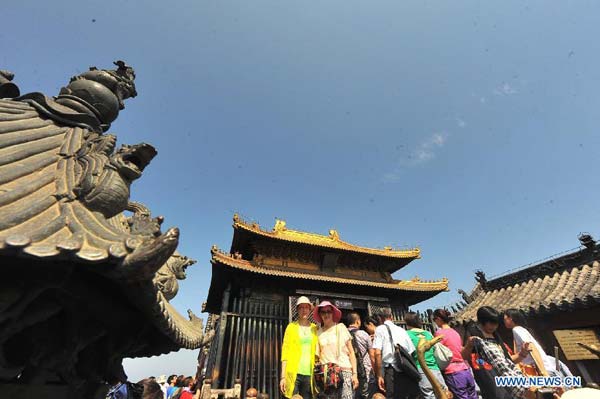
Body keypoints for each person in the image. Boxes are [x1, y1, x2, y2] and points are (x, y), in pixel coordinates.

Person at [461, 306, 530, 399]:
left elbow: (507, 361)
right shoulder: (474, 333)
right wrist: (469, 345)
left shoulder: (496, 336)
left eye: (496, 324)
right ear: (482, 321)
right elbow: (464, 356)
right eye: (491, 323)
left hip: (509, 383)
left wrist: (522, 353)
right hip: (492, 384)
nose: (494, 327)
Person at [314, 301, 359, 399]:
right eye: (323, 312)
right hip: (327, 375)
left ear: (333, 313)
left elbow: (351, 352)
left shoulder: (341, 328)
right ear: (320, 315)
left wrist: (355, 374)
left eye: (329, 311)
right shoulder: (318, 333)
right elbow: (318, 357)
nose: (326, 314)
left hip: (344, 371)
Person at [372, 309, 419, 399]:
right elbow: (411, 350)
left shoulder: (380, 329)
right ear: (392, 317)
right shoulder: (402, 330)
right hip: (406, 368)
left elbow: (377, 353)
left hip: (391, 370)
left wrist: (379, 375)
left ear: (380, 319)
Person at [432, 309, 477, 399]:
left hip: (452, 371)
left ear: (438, 319)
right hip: (465, 369)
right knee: (473, 396)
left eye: (434, 319)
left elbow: (437, 352)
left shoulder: (439, 333)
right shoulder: (455, 332)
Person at [280, 296, 319, 399]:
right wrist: (283, 376)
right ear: (297, 310)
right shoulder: (291, 327)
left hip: (309, 373)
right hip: (293, 372)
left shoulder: (315, 328)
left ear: (310, 310)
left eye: (306, 307)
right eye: (301, 307)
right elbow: (285, 352)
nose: (304, 310)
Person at [404, 312, 448, 399]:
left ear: (407, 322)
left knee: (429, 395)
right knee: (443, 394)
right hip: (435, 369)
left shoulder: (406, 334)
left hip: (421, 369)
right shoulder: (428, 334)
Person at [504, 308, 557, 376]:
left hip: (539, 370)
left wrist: (543, 371)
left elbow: (531, 347)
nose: (504, 321)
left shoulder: (517, 329)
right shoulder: (522, 330)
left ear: (510, 319)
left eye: (505, 319)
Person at [346, 312, 376, 399]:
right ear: (358, 322)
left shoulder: (344, 334)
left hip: (349, 371)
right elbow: (372, 354)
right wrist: (375, 371)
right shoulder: (363, 334)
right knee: (366, 394)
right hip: (365, 371)